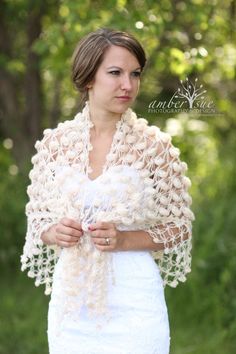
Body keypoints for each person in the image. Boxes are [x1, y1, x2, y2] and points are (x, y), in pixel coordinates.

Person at [21, 28, 194, 354]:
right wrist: (56, 232)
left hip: (135, 299)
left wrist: (125, 239)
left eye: (135, 74)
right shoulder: (55, 146)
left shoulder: (154, 148)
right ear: (88, 78)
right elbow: (38, 221)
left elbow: (179, 227)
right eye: (115, 73)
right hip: (72, 303)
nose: (127, 84)